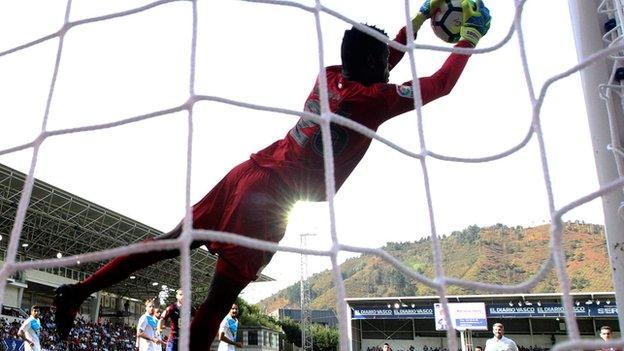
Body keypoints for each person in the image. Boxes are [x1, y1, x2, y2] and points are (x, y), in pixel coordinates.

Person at [53, 1, 491, 349]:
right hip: (272, 201)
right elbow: (440, 84)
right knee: (219, 299)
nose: (389, 65)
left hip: (247, 172)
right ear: (374, 65)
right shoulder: (372, 99)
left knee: (169, 242)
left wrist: (417, 19)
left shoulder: (332, 75)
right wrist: (468, 37)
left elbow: (382, 57)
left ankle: (79, 291)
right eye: (384, 62)